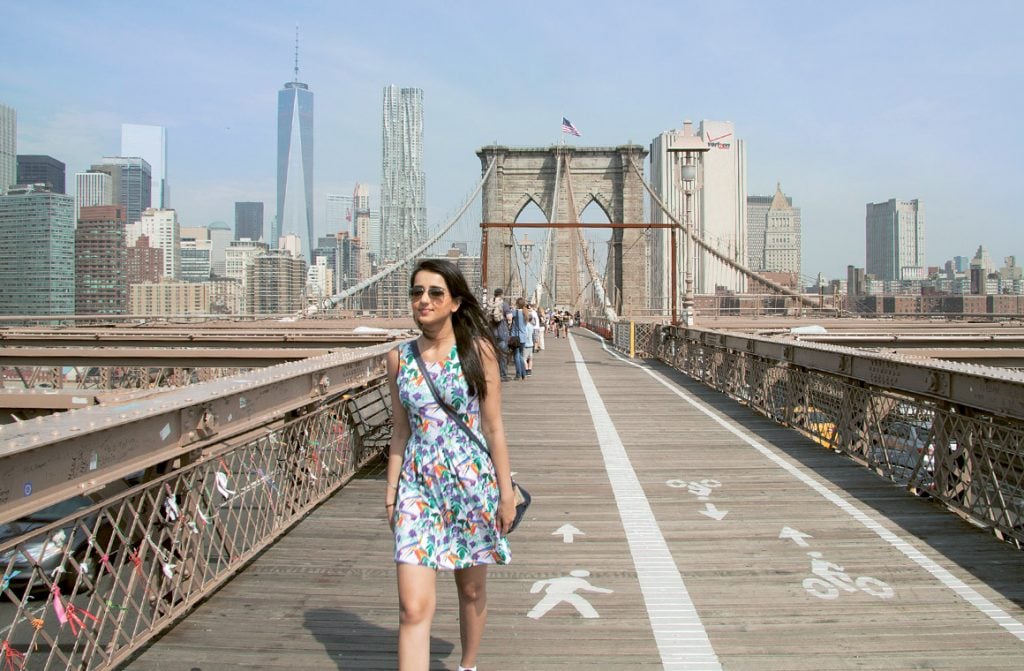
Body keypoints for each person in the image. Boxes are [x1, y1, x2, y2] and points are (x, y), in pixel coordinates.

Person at [385, 259, 516, 671]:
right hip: (417, 488)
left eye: (435, 293)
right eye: (417, 292)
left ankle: (468, 665)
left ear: (456, 302)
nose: (423, 300)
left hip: (471, 485)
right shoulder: (398, 359)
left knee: (472, 592)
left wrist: (506, 493)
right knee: (412, 607)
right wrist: (391, 493)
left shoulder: (477, 351)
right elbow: (400, 430)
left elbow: (494, 428)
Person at [488, 288, 510, 381]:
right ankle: (503, 375)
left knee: (493, 354)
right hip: (502, 332)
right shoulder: (504, 304)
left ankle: (494, 374)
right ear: (501, 294)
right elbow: (509, 318)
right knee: (503, 354)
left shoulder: (490, 304)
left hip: (492, 332)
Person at [510, 297, 529, 380]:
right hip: (523, 338)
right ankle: (524, 374)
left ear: (517, 304)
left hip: (516, 337)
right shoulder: (526, 313)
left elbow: (508, 317)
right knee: (521, 355)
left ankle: (518, 374)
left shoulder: (515, 312)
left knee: (516, 356)